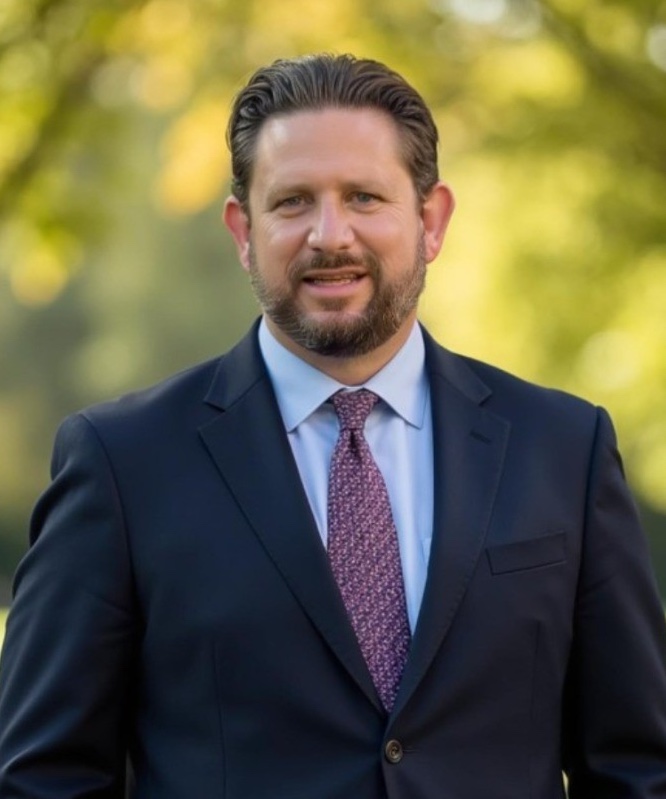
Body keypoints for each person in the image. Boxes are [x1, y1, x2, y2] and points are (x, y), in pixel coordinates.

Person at [1, 53, 665, 799]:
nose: (330, 234)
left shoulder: (565, 451)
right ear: (242, 231)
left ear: (432, 220)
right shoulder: (123, 464)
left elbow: (639, 769)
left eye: (364, 197)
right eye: (292, 202)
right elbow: (43, 778)